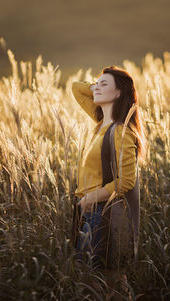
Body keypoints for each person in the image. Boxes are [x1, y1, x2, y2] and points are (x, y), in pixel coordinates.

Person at [71, 65, 146, 300]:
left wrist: (89, 199)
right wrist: (101, 84)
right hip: (90, 211)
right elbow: (76, 88)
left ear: (119, 93)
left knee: (100, 282)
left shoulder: (121, 132)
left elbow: (125, 182)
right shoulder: (102, 123)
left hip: (101, 213)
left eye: (105, 84)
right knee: (106, 282)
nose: (96, 87)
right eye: (96, 83)